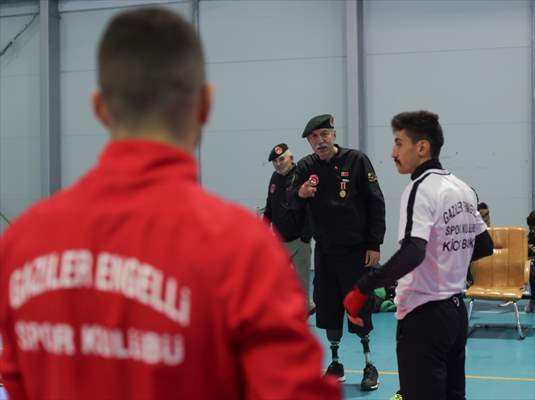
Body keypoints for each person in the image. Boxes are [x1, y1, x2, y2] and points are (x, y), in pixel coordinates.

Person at [0, 8, 340, 400]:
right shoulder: (239, 250)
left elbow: (17, 384)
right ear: (204, 105)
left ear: (99, 108)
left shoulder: (23, 244)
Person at [344, 110, 493, 400]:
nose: (392, 152)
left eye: (399, 143)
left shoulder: (420, 189)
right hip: (456, 312)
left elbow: (413, 251)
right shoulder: (462, 188)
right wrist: (448, 264)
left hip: (424, 316)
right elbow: (484, 245)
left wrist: (364, 286)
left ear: (422, 147)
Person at [289, 114, 386, 389]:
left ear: (333, 134)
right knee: (328, 306)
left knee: (359, 307)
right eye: (313, 137)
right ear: (309, 142)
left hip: (356, 252)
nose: (319, 141)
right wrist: (300, 194)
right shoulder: (306, 167)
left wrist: (374, 244)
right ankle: (335, 362)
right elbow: (289, 200)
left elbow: (375, 203)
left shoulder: (356, 161)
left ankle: (369, 365)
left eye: (323, 135)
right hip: (326, 252)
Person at [263, 143, 315, 314]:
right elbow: (270, 204)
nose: (278, 163)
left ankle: (304, 311)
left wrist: (306, 235)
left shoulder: (301, 175)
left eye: (281, 159)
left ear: (291, 158)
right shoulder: (274, 178)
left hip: (300, 239)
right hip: (279, 239)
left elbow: (310, 206)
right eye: (275, 161)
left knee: (301, 281)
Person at [526, 211, 535, 313]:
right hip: (532, 262)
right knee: (532, 272)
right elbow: (527, 253)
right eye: (531, 227)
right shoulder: (531, 234)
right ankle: (533, 299)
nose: (532, 229)